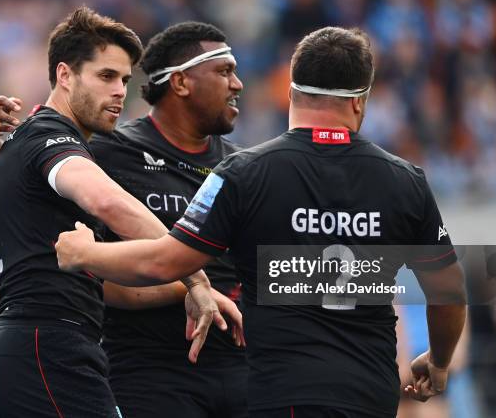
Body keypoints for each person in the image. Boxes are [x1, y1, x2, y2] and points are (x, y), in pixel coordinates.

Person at [55, 26, 467, 418]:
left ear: (289, 92)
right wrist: (439, 361)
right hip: (369, 390)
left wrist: (87, 254)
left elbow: (165, 261)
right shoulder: (406, 181)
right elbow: (450, 290)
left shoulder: (242, 173)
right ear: (360, 100)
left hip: (280, 389)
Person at [0, 21, 247, 418]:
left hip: (63, 345)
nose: (119, 91)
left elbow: (11, 192)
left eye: (124, 79)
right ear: (64, 74)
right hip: (60, 347)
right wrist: (195, 277)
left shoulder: (240, 163)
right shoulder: (61, 139)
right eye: (106, 76)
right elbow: (107, 201)